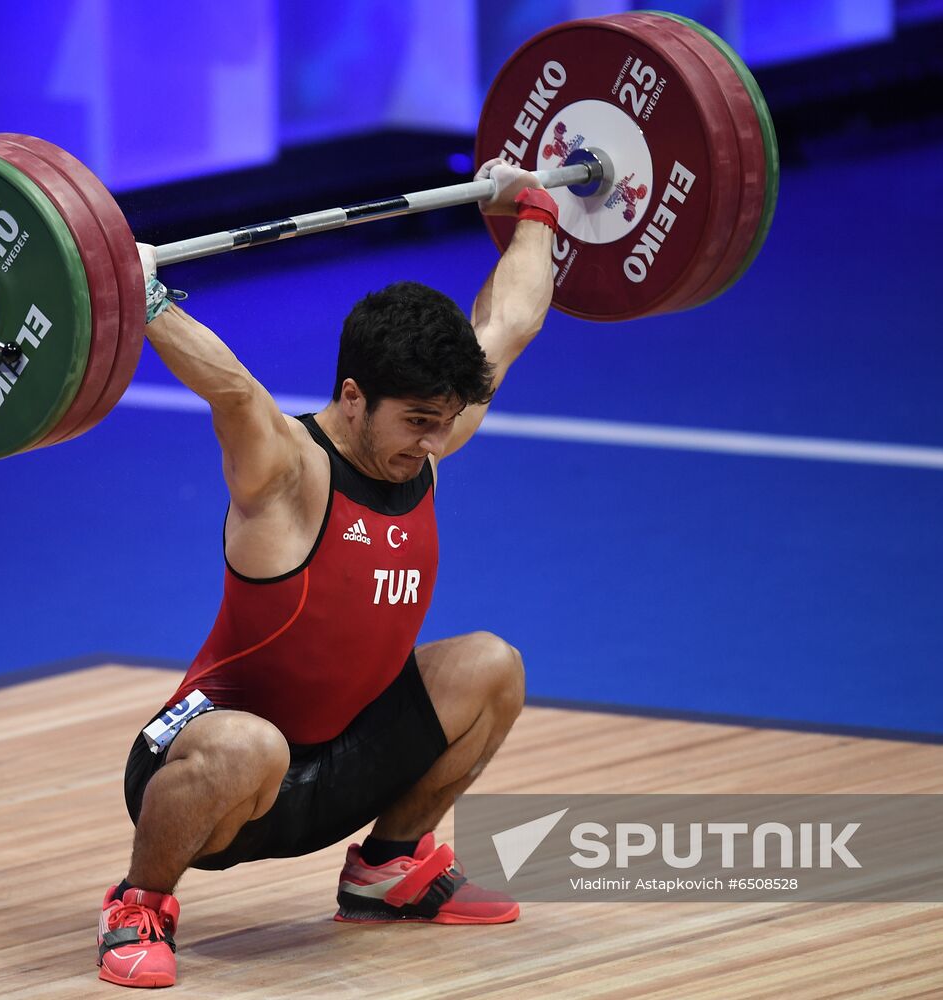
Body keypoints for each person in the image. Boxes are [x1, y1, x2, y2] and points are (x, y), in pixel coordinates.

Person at [97, 158, 560, 989]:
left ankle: (387, 870)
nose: (433, 441)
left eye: (444, 422)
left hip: (338, 756)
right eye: (417, 422)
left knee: (491, 665)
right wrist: (140, 294)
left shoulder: (422, 436)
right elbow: (234, 392)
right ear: (353, 396)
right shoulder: (286, 474)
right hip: (214, 776)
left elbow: (511, 322)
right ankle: (138, 902)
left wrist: (532, 204)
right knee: (250, 742)